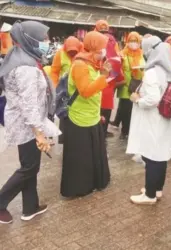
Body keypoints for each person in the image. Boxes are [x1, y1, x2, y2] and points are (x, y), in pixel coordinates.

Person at [0, 21, 60, 224]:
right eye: (43, 38)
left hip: (23, 121)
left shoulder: (20, 56)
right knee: (29, 168)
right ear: (30, 39)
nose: (47, 42)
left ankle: (30, 207)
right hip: (26, 124)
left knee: (30, 165)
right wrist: (39, 134)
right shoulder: (26, 67)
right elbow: (29, 104)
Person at [60, 31, 111, 198]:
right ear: (93, 47)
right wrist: (104, 77)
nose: (104, 51)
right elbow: (86, 91)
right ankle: (80, 187)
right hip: (79, 117)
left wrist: (102, 72)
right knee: (81, 157)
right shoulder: (81, 65)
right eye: (102, 47)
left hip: (92, 116)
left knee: (93, 154)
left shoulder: (93, 63)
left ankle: (95, 182)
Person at [127, 36, 171, 205]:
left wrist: (137, 99)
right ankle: (157, 189)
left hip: (153, 120)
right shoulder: (167, 71)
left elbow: (153, 99)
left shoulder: (152, 72)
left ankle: (149, 195)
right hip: (163, 120)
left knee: (151, 157)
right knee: (159, 156)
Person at [50, 36, 82, 144]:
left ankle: (75, 137)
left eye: (74, 52)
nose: (72, 54)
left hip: (78, 88)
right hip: (64, 88)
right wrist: (55, 86)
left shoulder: (83, 52)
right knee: (64, 112)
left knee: (76, 111)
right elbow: (54, 71)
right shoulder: (60, 53)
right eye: (70, 52)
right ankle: (64, 139)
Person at [117, 32, 144, 140]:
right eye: (131, 41)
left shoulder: (142, 54)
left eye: (135, 41)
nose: (133, 43)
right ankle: (124, 131)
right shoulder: (122, 54)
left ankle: (134, 131)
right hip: (125, 86)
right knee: (125, 111)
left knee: (136, 110)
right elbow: (117, 69)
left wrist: (142, 69)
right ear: (127, 41)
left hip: (137, 85)